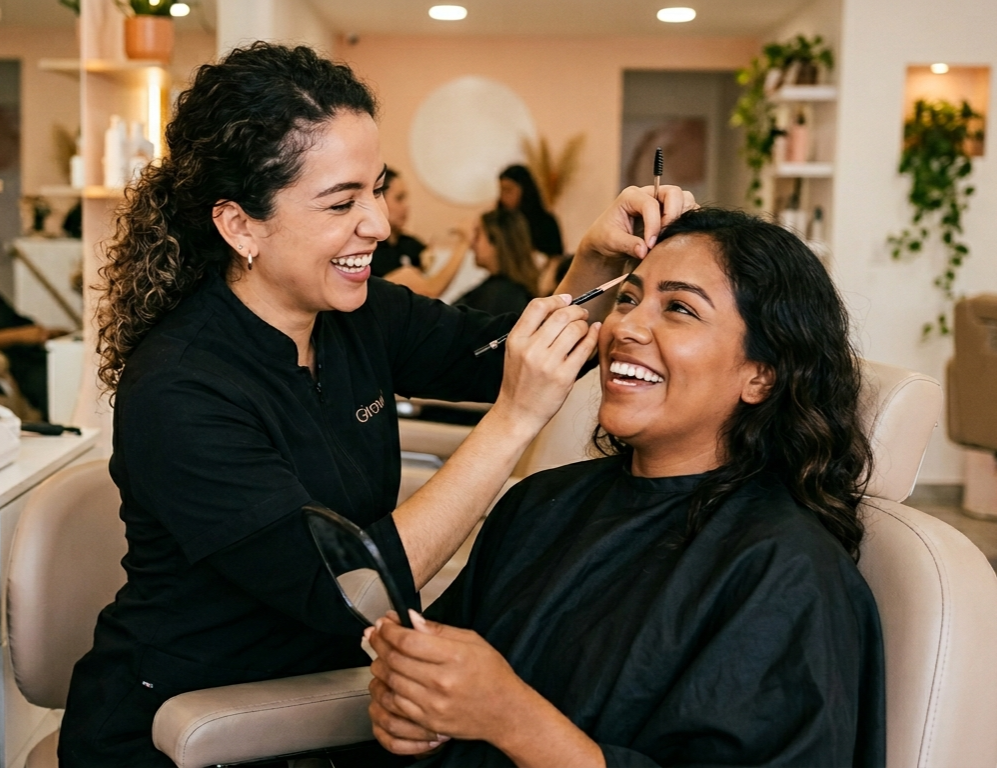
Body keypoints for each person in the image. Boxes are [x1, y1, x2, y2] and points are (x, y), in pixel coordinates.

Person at [56, 42, 693, 767]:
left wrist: (599, 261)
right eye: (343, 201)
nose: (380, 225)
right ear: (239, 225)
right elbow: (346, 591)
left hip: (331, 697)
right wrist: (515, 420)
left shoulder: (357, 317)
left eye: (378, 189)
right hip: (188, 728)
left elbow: (495, 355)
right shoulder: (180, 391)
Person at [366, 208, 885, 768]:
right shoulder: (540, 503)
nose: (626, 329)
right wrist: (408, 704)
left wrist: (512, 717)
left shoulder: (786, 571)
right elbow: (432, 677)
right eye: (629, 299)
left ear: (762, 375)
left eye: (680, 309)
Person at [0, 271, 68, 418]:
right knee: (49, 378)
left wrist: (43, 333)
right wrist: (19, 336)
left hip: (30, 347)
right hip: (13, 355)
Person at [372, 167, 464, 299]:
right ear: (378, 201)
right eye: (399, 198)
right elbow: (430, 290)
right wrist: (464, 242)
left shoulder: (411, 245)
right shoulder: (369, 250)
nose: (406, 206)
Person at [453, 208, 540, 316]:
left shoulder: (502, 294)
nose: (472, 244)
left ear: (496, 241)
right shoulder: (504, 290)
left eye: (477, 235)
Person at [497, 164, 564, 257]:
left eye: (508, 190)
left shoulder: (546, 223)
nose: (503, 197)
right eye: (501, 191)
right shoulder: (501, 223)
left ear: (524, 190)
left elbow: (557, 258)